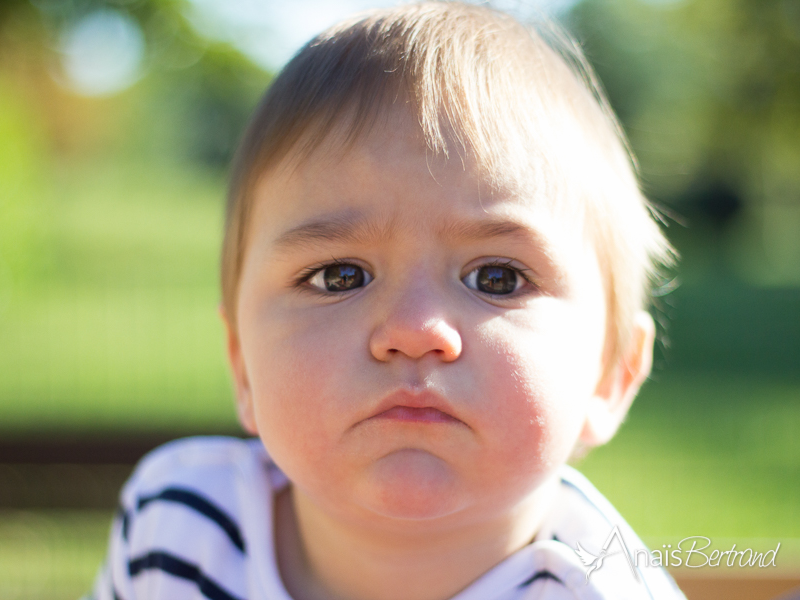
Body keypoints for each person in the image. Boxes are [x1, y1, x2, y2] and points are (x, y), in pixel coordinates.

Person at [92, 3, 684, 599]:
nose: (412, 328)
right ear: (241, 360)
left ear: (612, 374)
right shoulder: (179, 532)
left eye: (497, 278)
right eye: (339, 275)